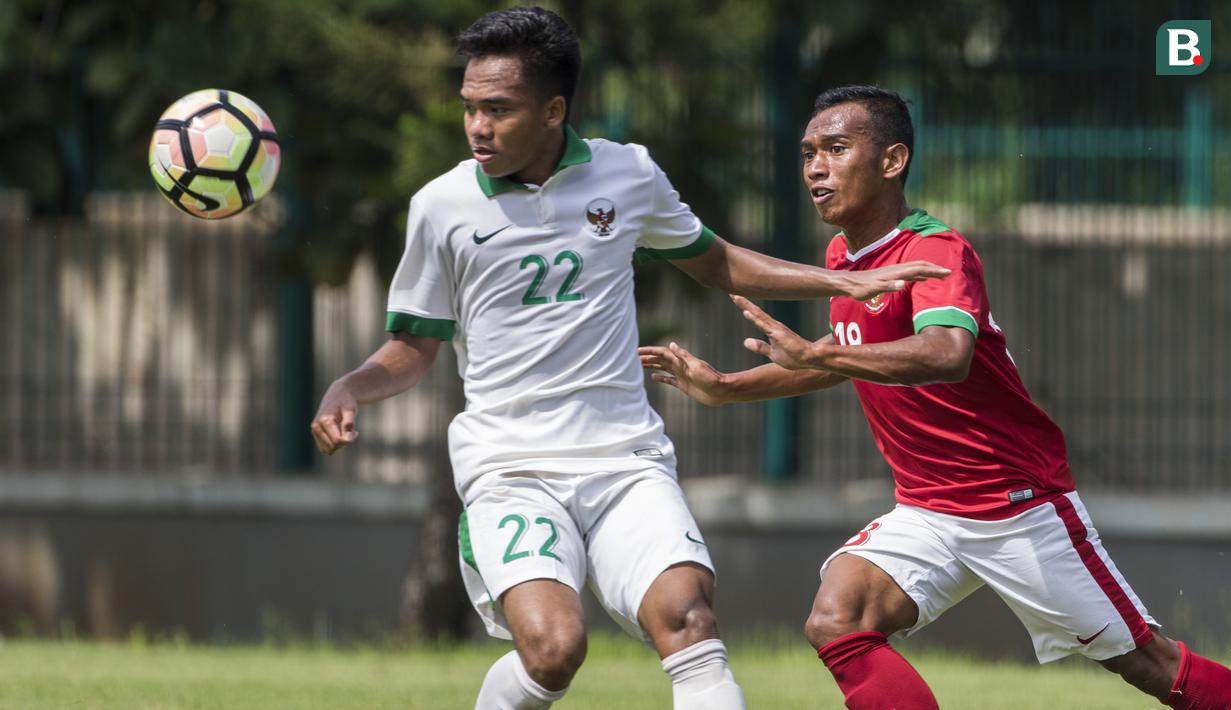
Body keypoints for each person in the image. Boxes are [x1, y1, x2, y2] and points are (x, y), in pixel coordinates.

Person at [311, 12, 946, 707]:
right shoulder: (442, 206)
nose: (477, 127)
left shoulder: (627, 173)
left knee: (690, 622)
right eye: (469, 108)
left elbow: (717, 262)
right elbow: (412, 347)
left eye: (498, 109)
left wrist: (838, 279)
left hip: (623, 459)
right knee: (554, 652)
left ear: (553, 110)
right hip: (509, 466)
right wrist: (349, 387)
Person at [640, 84, 1231, 709]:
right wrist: (727, 389)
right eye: (809, 151)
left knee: (1149, 664)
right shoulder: (846, 257)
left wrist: (822, 354)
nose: (816, 167)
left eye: (837, 148)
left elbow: (946, 355)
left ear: (892, 161)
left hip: (1015, 507)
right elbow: (846, 356)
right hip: (929, 511)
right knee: (839, 618)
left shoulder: (936, 250)